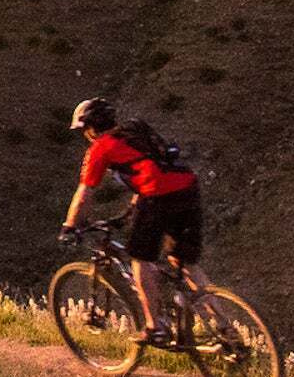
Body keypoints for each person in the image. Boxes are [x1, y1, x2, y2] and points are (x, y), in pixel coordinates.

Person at [58, 97, 206, 346]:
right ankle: (224, 327)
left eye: (84, 130)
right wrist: (131, 210)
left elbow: (84, 194)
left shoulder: (100, 148)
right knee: (184, 262)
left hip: (159, 197)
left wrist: (69, 226)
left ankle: (154, 327)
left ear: (91, 128)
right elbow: (151, 165)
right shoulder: (135, 129)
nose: (84, 135)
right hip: (188, 189)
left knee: (139, 258)